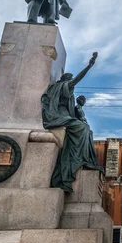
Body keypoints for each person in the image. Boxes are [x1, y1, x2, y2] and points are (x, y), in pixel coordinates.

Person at [41, 53, 102, 191]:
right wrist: (89, 66)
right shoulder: (63, 86)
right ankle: (75, 161)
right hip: (58, 115)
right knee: (82, 128)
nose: (71, 84)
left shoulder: (58, 88)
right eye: (70, 80)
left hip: (63, 115)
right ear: (66, 81)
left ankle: (83, 159)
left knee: (86, 129)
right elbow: (77, 79)